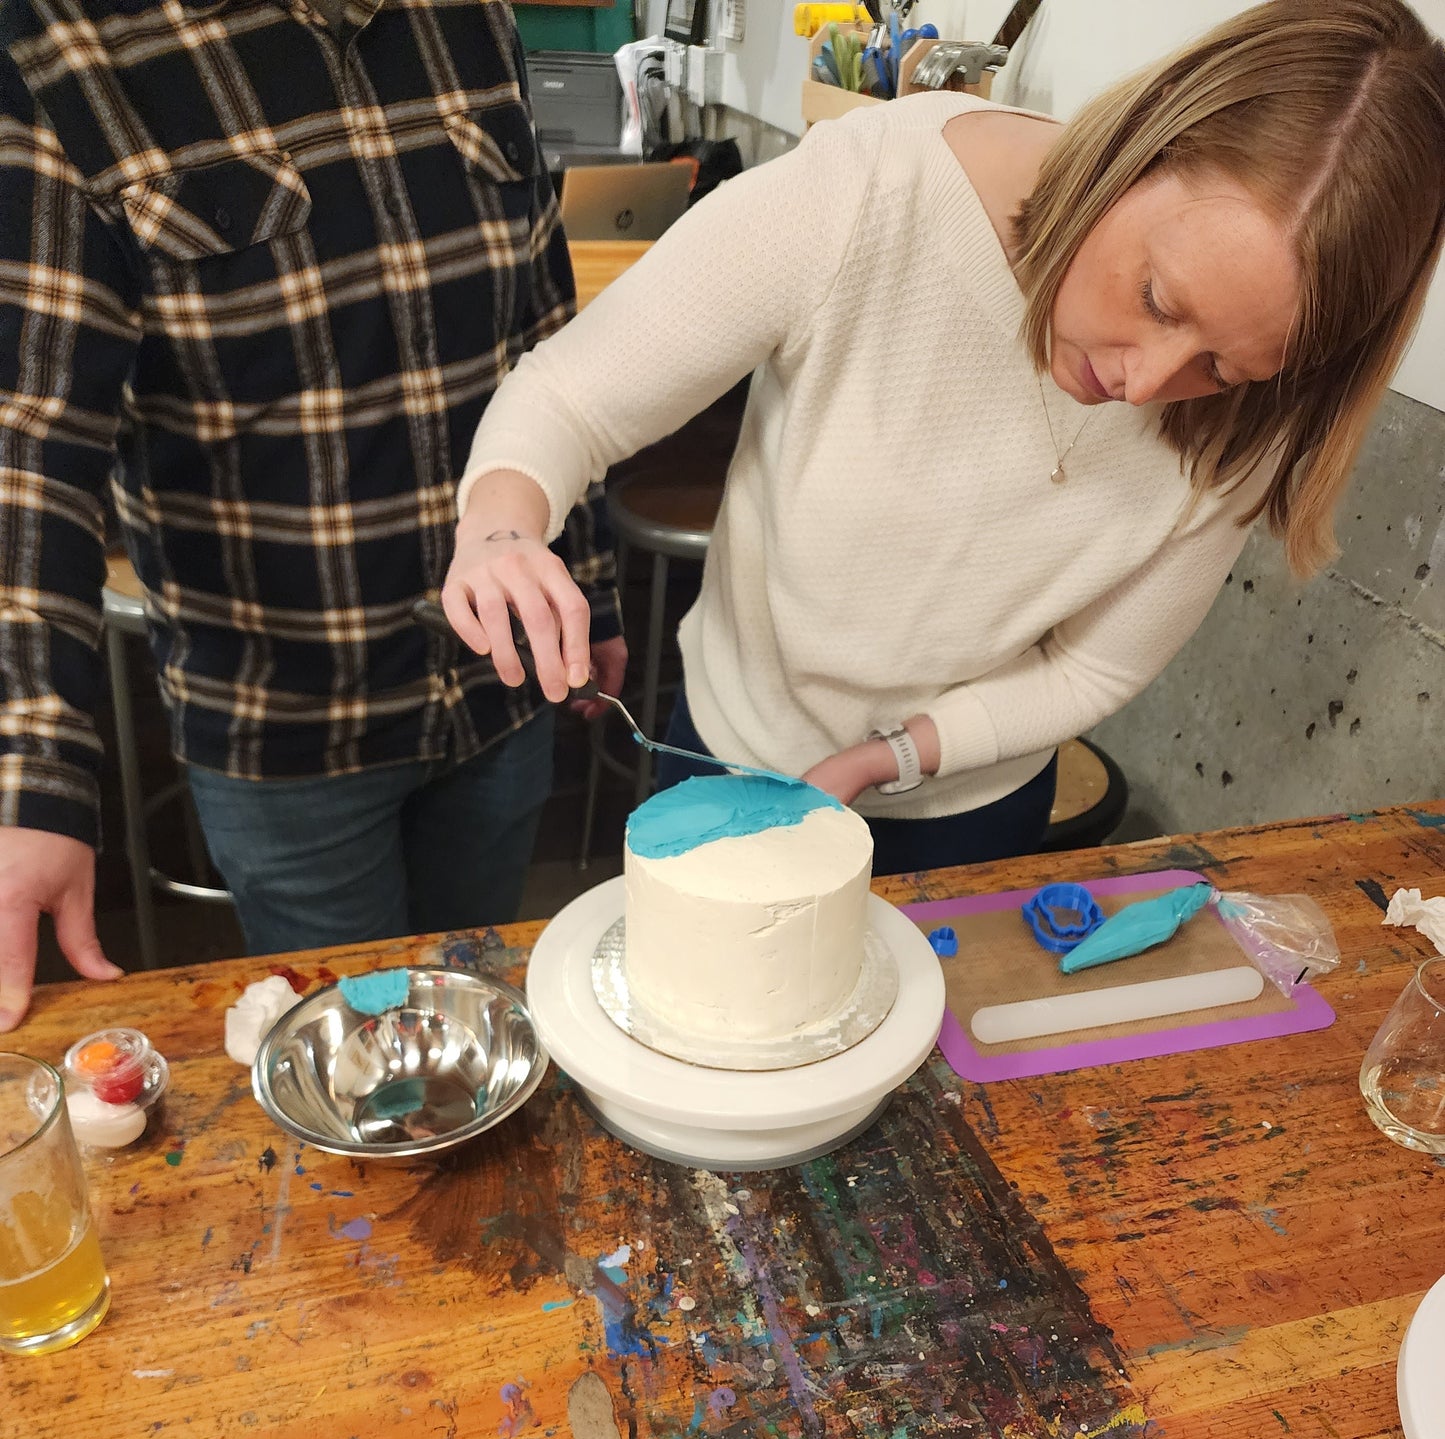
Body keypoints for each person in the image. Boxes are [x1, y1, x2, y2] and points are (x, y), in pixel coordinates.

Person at [443, 0, 1445, 876]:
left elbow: (1091, 669)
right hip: (728, 759)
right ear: (1137, 148)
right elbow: (571, 397)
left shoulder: (1262, 401)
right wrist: (499, 527)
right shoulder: (869, 194)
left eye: (1220, 369)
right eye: (1152, 297)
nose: (1145, 385)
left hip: (968, 809)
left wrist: (894, 755)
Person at [0, 0, 624, 1032]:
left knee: (475, 1012)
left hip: (498, 685)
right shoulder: (63, 48)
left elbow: (544, 342)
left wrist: (589, 584)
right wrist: (31, 779)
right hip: (287, 726)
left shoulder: (466, 16)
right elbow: (29, 446)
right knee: (357, 1062)